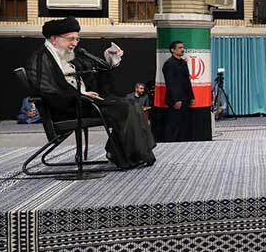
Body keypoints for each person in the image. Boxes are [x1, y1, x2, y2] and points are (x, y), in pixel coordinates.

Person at [24, 17, 155, 168]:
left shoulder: (68, 54)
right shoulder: (40, 58)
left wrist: (109, 60)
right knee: (124, 107)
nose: (75, 43)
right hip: (67, 108)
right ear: (54, 39)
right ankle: (123, 154)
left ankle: (127, 153)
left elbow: (92, 74)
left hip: (81, 102)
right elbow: (46, 91)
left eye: (77, 39)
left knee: (132, 104)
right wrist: (80, 96)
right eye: (71, 39)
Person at [162, 40, 194, 142]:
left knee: (184, 123)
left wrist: (191, 96)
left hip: (185, 98)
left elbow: (187, 81)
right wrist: (176, 100)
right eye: (180, 48)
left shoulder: (183, 63)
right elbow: (170, 84)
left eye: (183, 47)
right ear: (173, 50)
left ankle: (183, 143)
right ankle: (171, 143)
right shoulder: (169, 64)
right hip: (175, 99)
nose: (182, 49)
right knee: (174, 123)